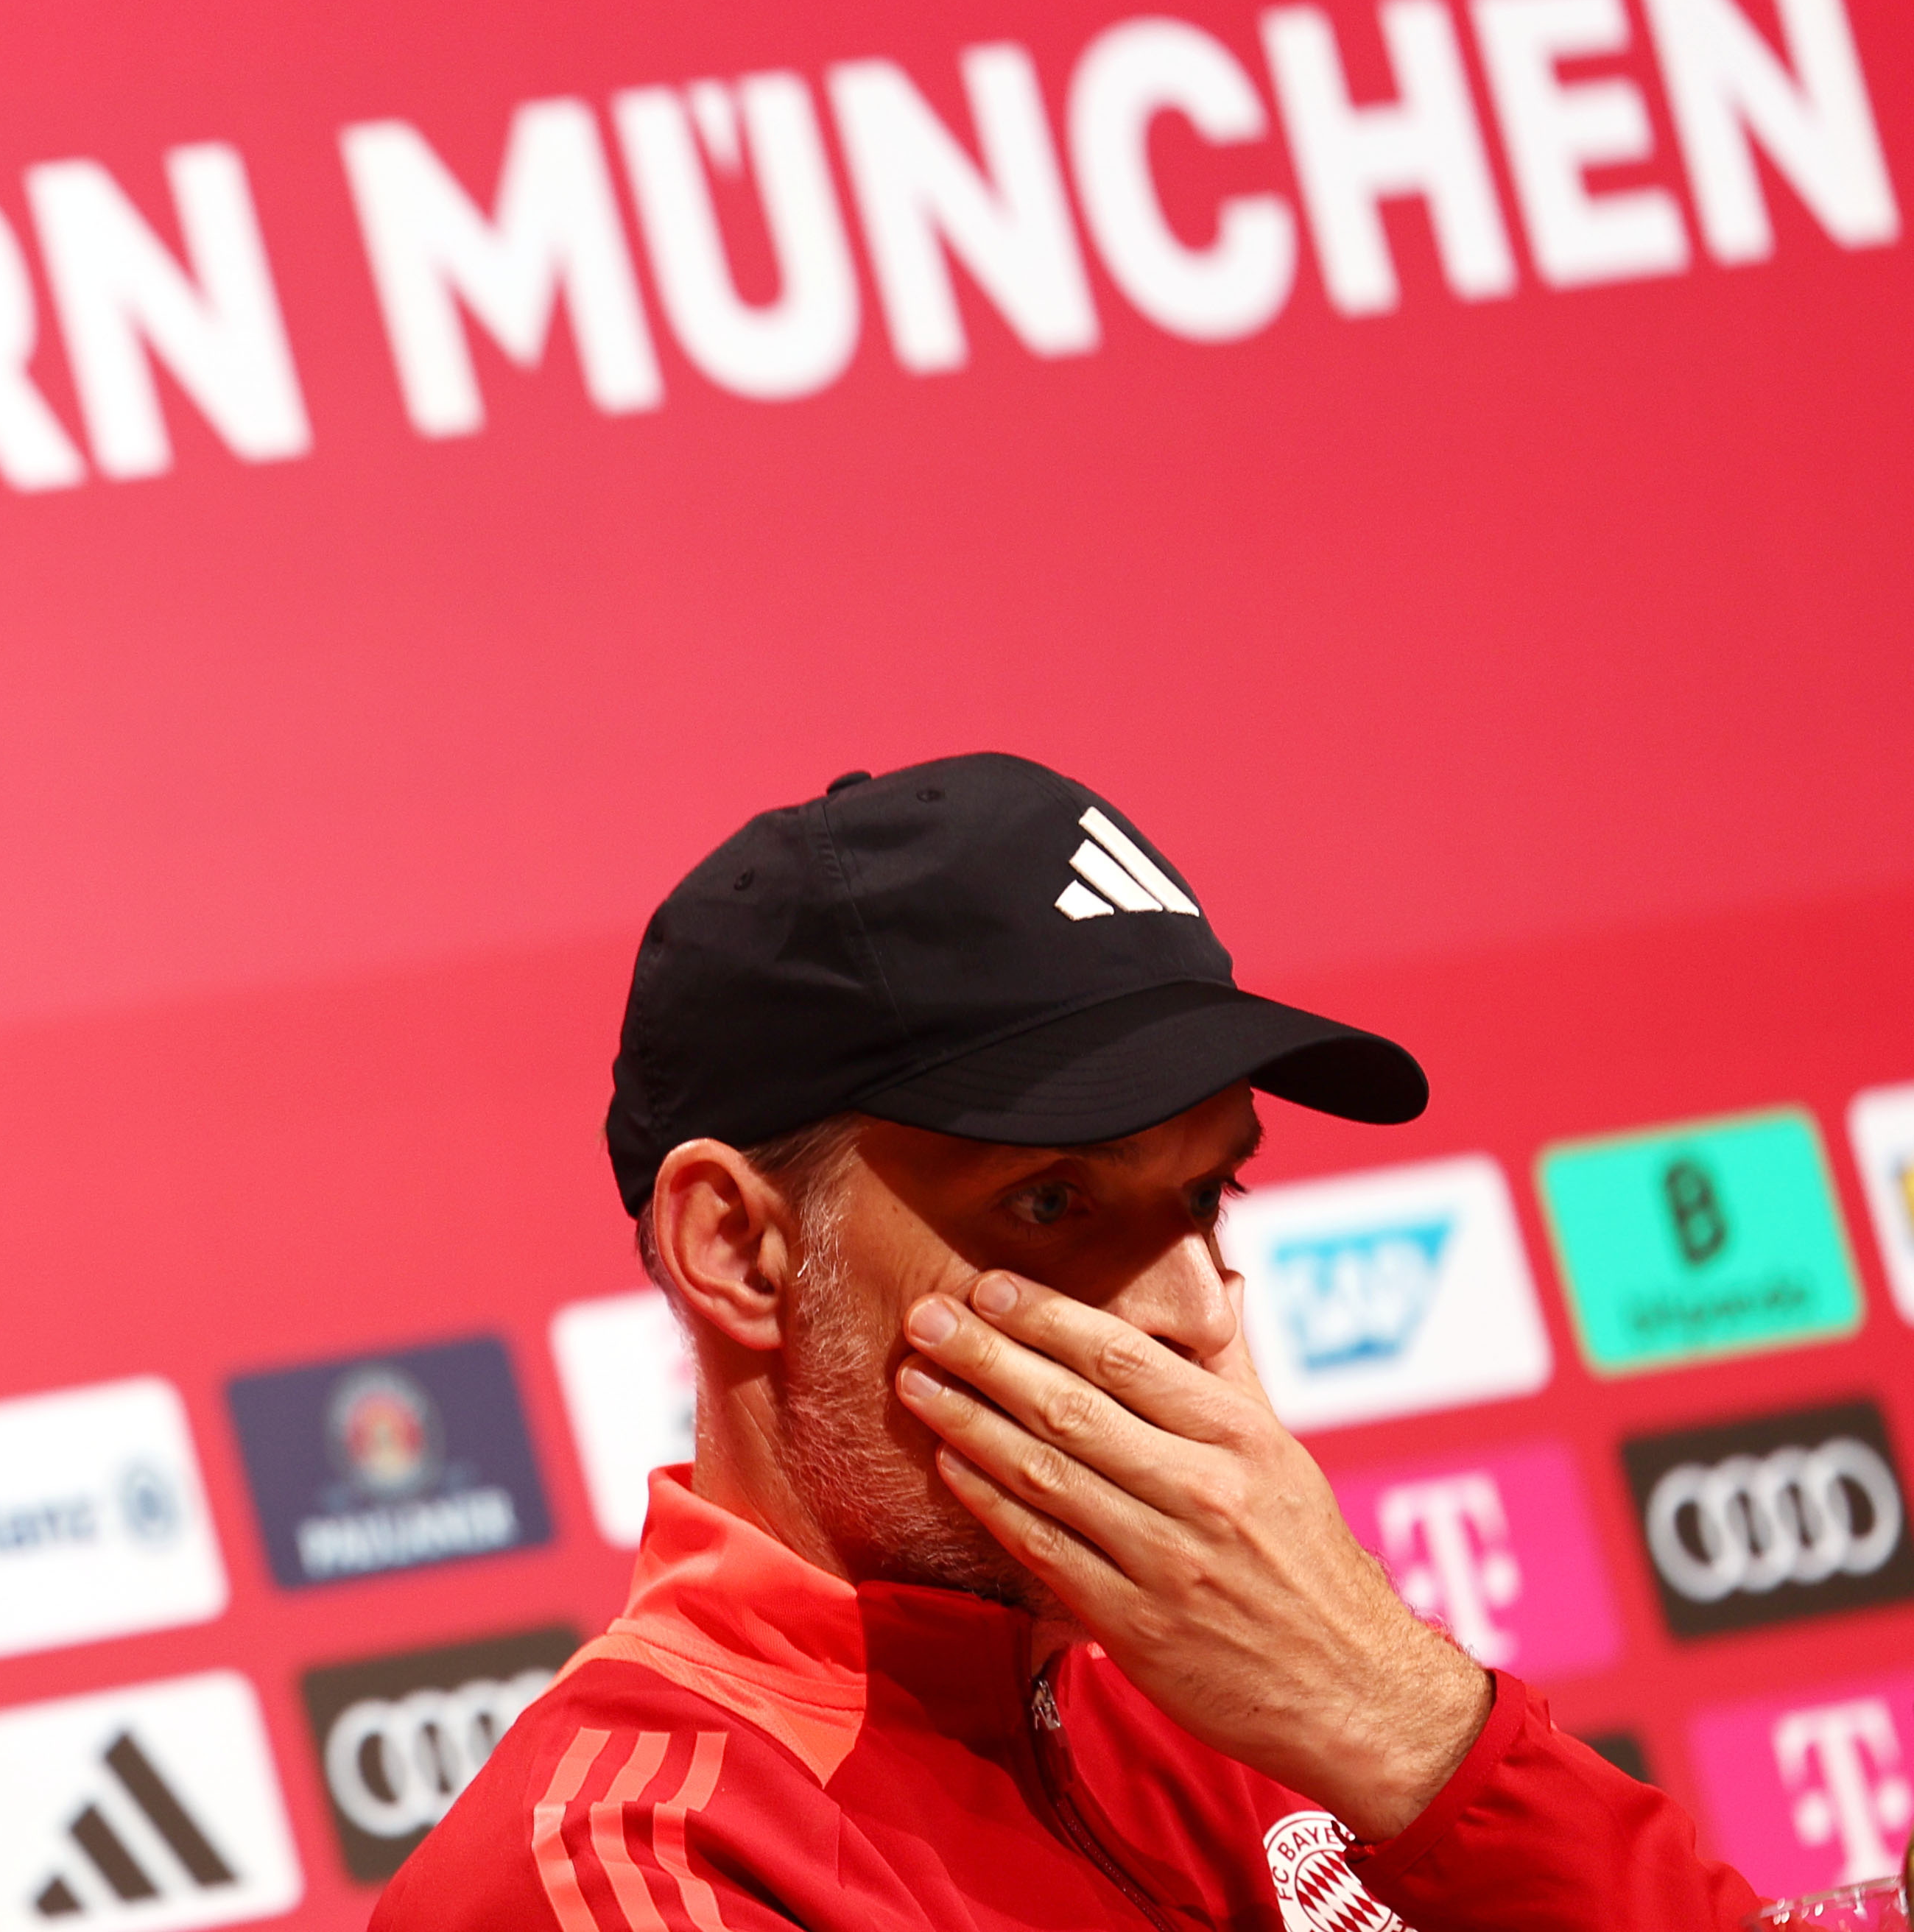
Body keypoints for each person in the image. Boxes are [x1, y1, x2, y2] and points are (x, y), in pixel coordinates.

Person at [375, 754, 1756, 1932]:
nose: (1196, 1311)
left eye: (1207, 1195)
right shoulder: (619, 1862)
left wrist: (1413, 1734)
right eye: (1052, 1202)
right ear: (737, 1251)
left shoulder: (1252, 1697)